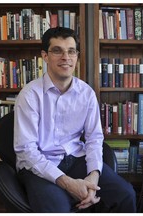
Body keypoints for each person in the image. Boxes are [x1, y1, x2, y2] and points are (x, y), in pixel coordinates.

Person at [14, 26, 136, 213]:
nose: (66, 57)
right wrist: (68, 183)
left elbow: (94, 138)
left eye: (71, 51)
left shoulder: (86, 93)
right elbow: (27, 152)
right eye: (57, 51)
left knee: (126, 194)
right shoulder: (29, 95)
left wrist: (93, 176)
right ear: (45, 56)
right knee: (58, 209)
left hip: (75, 158)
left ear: (77, 56)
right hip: (38, 165)